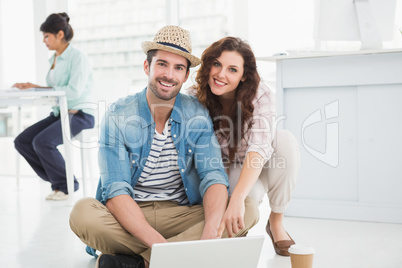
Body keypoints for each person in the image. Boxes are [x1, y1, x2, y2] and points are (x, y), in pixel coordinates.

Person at [69, 26, 259, 268]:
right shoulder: (118, 114)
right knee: (82, 213)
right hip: (130, 212)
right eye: (162, 64)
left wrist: (211, 231)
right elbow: (116, 193)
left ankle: (137, 263)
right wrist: (164, 249)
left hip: (180, 213)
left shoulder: (196, 113)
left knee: (247, 209)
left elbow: (213, 177)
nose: (169, 75)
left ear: (186, 75)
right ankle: (180, 256)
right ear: (147, 66)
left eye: (178, 68)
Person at [193, 37, 300, 256]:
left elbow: (260, 148)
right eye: (217, 64)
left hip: (259, 161)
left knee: (285, 141)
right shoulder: (195, 97)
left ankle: (276, 221)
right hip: (223, 167)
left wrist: (237, 199)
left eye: (232, 69)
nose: (221, 74)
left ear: (243, 76)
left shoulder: (260, 94)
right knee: (243, 201)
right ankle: (236, 233)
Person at [13, 12, 95, 201]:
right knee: (22, 141)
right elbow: (55, 90)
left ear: (59, 34)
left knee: (42, 142)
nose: (44, 41)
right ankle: (58, 179)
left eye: (46, 36)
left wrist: (40, 88)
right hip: (61, 113)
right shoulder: (54, 60)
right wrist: (35, 88)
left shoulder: (77, 57)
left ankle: (66, 185)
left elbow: (74, 91)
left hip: (80, 114)